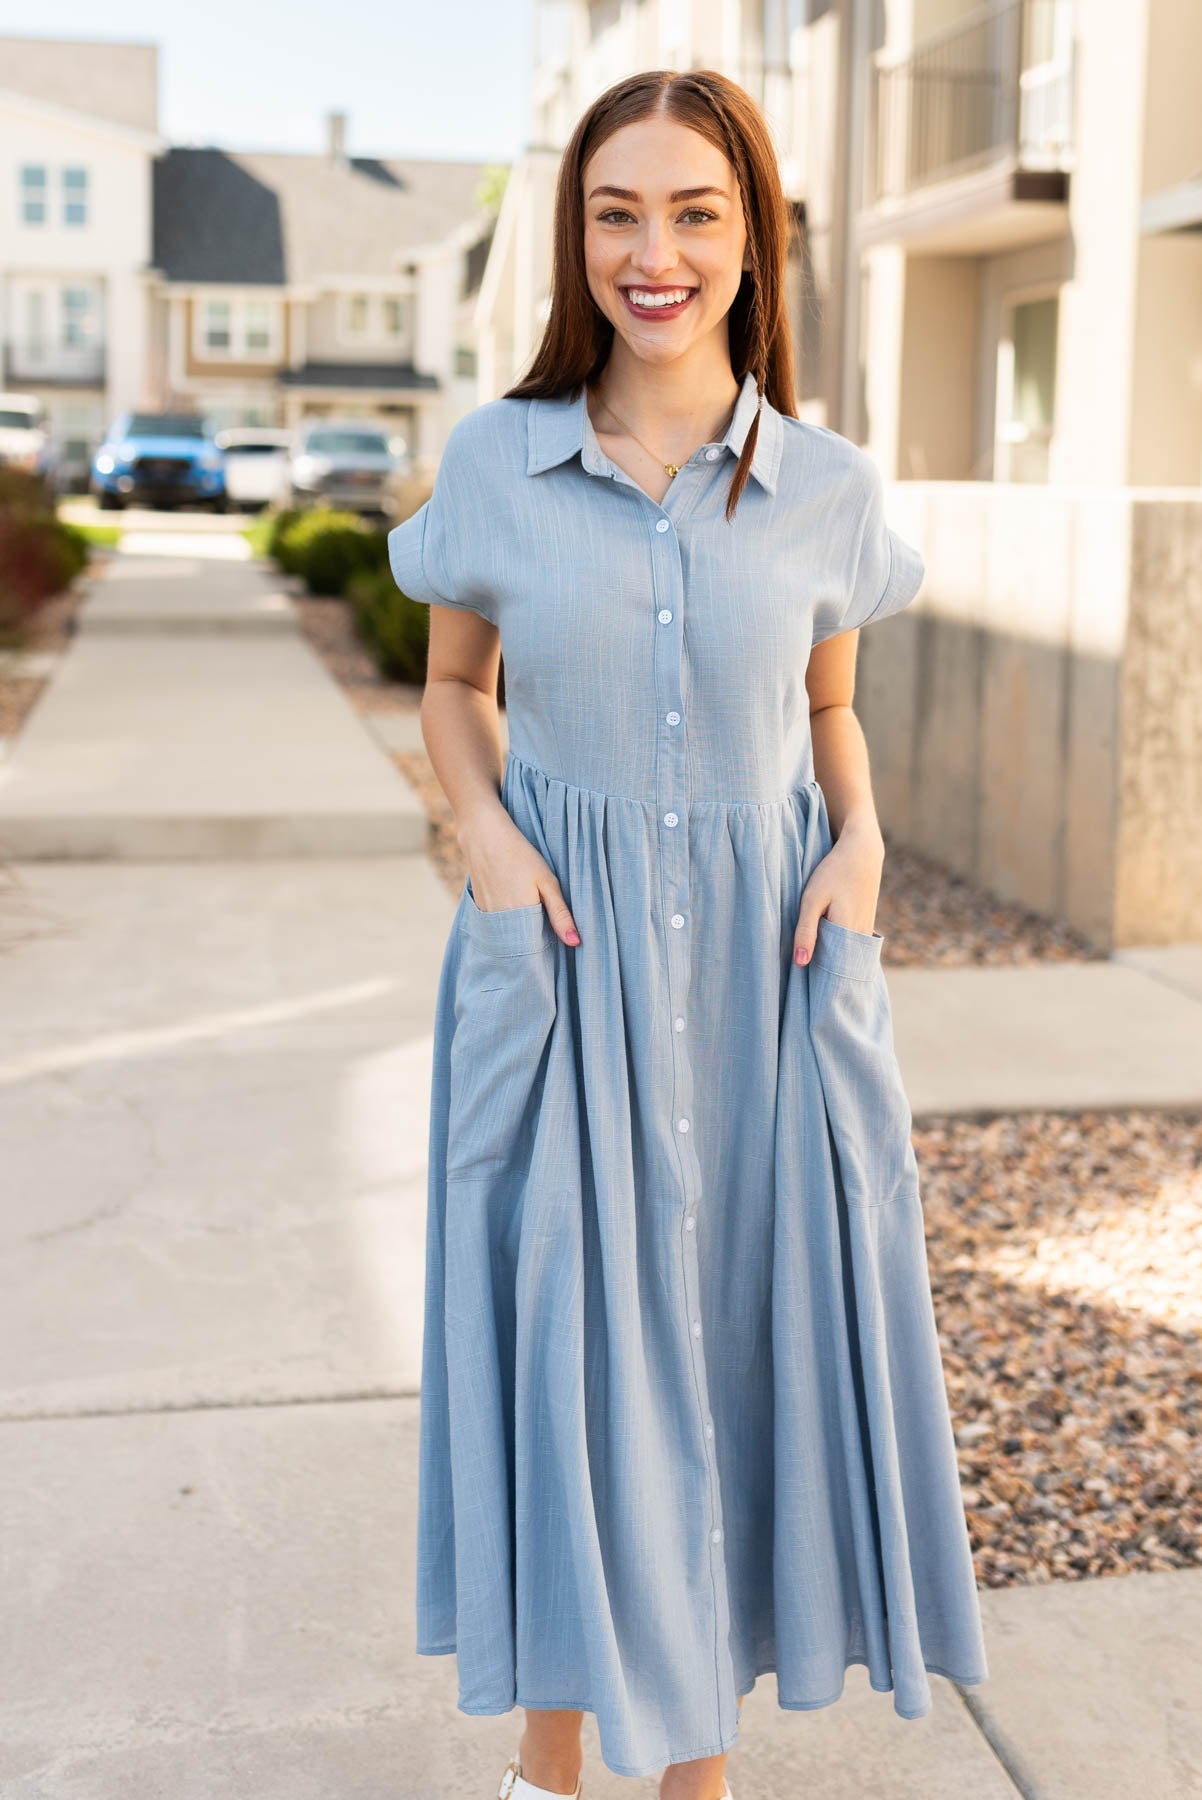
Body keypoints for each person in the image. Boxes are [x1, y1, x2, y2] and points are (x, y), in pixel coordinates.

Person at [388, 67, 988, 1800]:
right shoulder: (497, 459)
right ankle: (548, 1768)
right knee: (566, 1350)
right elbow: (452, 686)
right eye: (616, 213)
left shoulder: (825, 487)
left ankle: (696, 1783)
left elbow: (828, 711)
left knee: (732, 1349)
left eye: (693, 212)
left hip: (767, 979)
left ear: (751, 239)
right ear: (574, 240)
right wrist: (488, 838)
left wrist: (861, 838)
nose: (653, 253)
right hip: (562, 965)